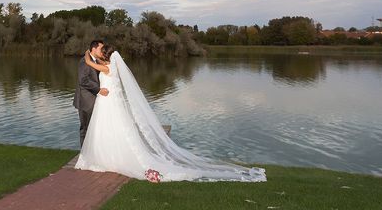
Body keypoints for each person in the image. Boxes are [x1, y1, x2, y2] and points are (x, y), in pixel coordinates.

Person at [75, 45, 266, 182]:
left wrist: (87, 55)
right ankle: (108, 155)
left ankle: (108, 157)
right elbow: (94, 64)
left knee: (109, 128)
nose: (100, 53)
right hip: (110, 103)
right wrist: (94, 57)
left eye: (102, 51)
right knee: (112, 129)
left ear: (105, 57)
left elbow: (90, 63)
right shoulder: (112, 66)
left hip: (109, 103)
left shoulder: (105, 67)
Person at [72, 40, 109, 148]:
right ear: (93, 49)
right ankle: (84, 152)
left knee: (95, 128)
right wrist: (99, 90)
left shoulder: (98, 61)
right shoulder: (84, 61)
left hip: (96, 100)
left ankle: (93, 151)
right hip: (86, 101)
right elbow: (83, 80)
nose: (102, 51)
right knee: (85, 128)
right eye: (100, 49)